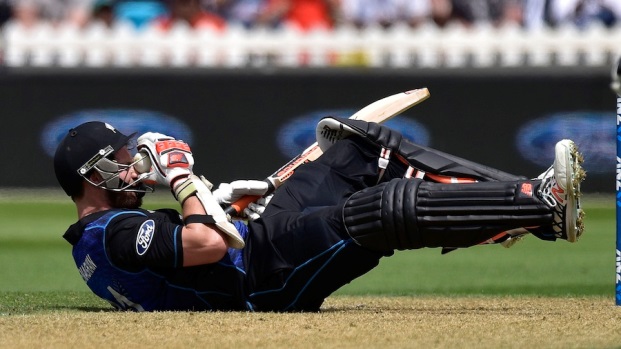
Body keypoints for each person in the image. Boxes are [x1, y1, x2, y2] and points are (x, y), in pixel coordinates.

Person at [54, 116, 585, 312]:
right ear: (90, 177)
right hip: (262, 282)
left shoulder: (106, 234)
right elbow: (208, 248)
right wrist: (183, 180)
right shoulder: (108, 235)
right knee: (376, 213)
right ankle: (542, 208)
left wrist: (228, 208)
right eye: (121, 164)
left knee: (359, 147)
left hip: (257, 243)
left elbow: (205, 240)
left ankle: (522, 198)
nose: (133, 170)